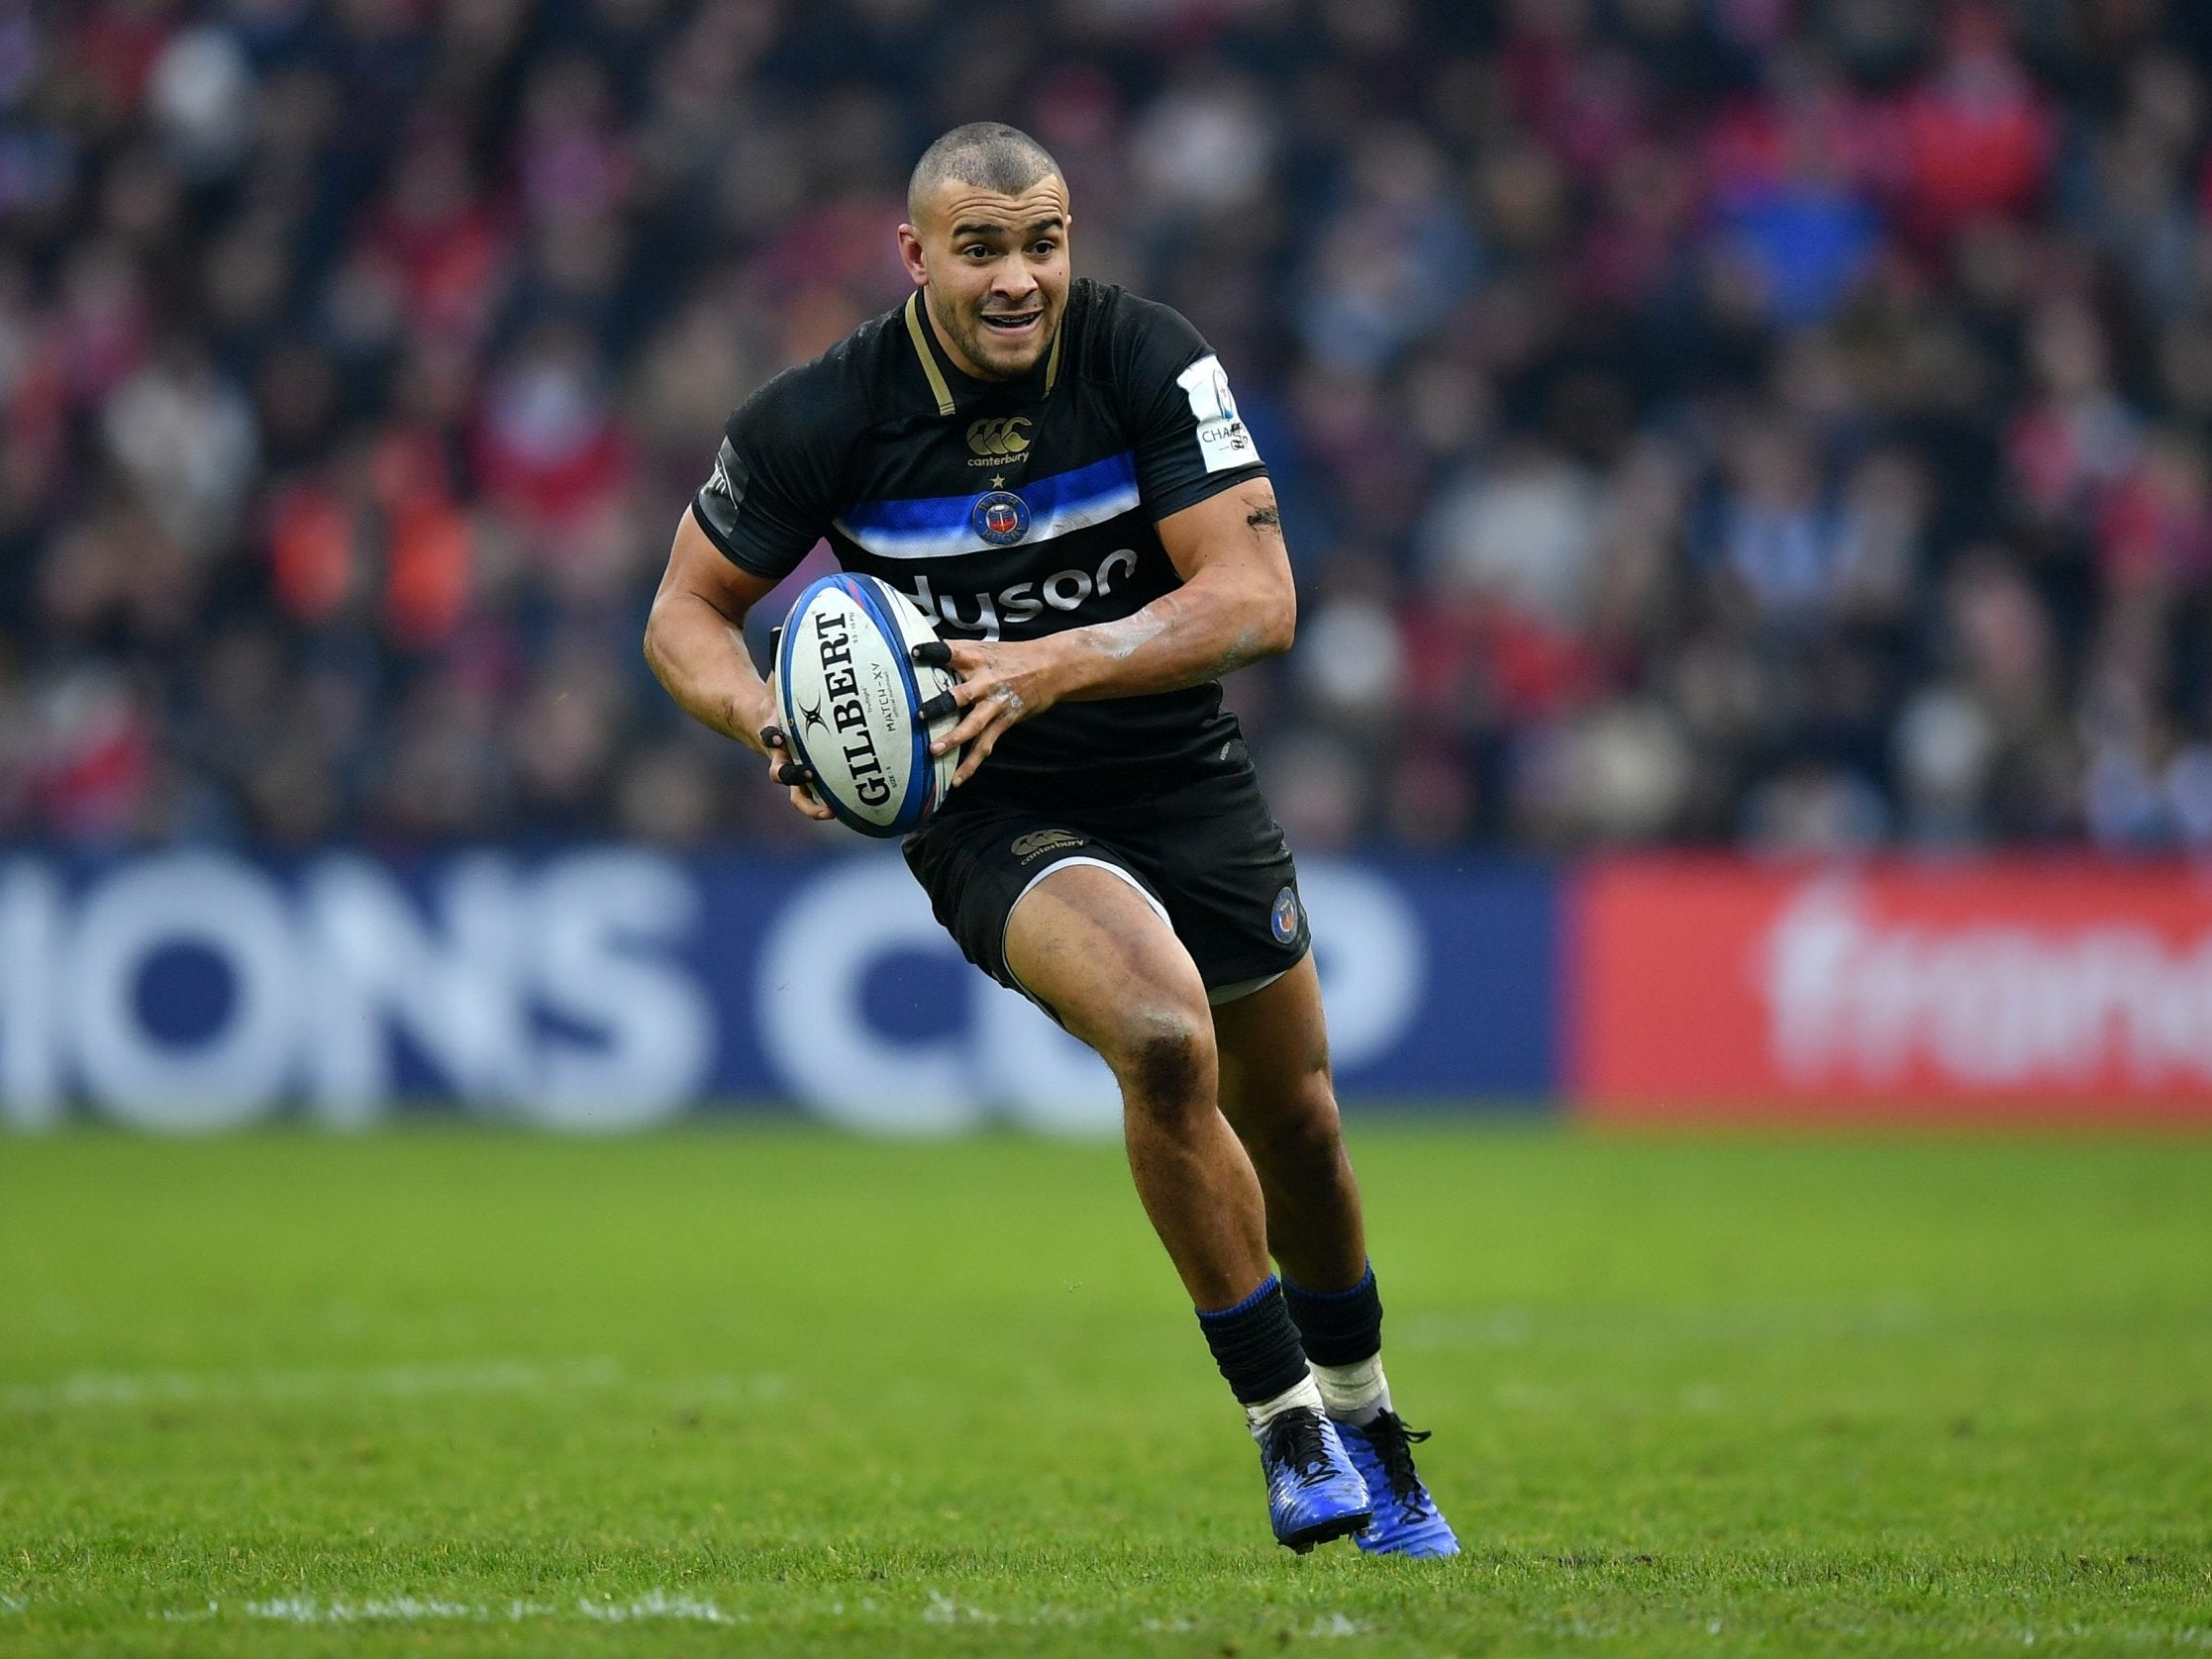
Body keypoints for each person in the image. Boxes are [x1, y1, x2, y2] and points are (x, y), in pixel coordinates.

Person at [644, 122, 1457, 1557]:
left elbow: (1257, 599)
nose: (1020, 277)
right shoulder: (823, 415)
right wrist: (768, 722)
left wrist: (1055, 660)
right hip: (986, 799)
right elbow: (681, 615)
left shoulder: (1146, 358)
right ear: (914, 256)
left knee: (1303, 1127)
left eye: (1044, 242)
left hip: (1176, 771)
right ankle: (1285, 1430)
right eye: (982, 249)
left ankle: (1372, 1422)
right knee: (1158, 1038)